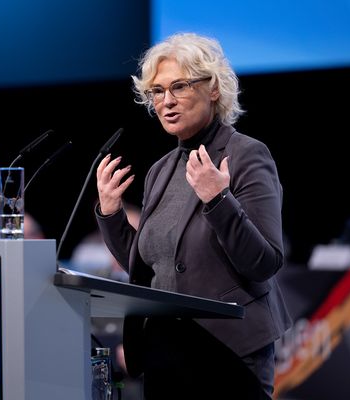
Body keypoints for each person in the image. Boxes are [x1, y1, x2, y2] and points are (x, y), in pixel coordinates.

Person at [95, 32, 292, 399]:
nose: (165, 102)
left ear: (213, 88)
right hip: (165, 352)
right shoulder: (161, 170)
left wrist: (218, 198)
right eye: (156, 91)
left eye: (179, 87)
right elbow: (149, 268)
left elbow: (264, 262)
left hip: (228, 351)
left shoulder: (247, 155)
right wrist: (111, 214)